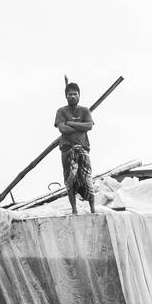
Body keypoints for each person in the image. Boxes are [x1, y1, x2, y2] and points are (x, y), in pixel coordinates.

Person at [54, 82, 95, 215]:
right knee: (70, 180)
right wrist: (79, 125)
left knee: (87, 178)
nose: (72, 96)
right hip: (67, 151)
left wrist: (70, 123)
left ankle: (93, 209)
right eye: (70, 94)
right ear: (66, 96)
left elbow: (89, 126)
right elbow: (62, 129)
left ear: (79, 96)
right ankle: (74, 210)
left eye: (75, 94)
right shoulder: (61, 111)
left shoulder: (85, 110)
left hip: (83, 149)